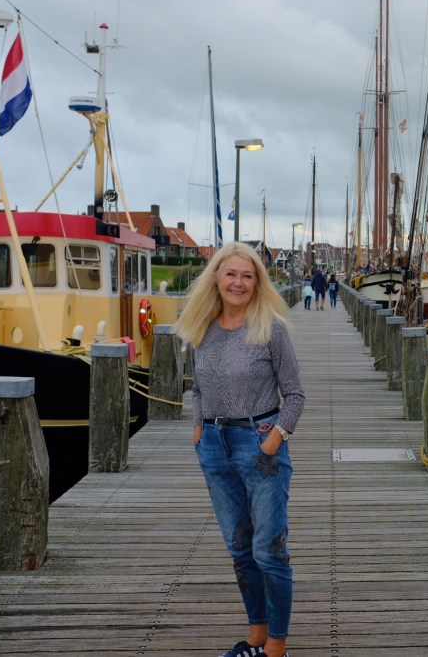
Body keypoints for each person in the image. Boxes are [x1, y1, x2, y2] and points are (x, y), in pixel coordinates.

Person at [173, 242, 305, 657]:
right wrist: (198, 425)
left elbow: (296, 395)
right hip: (214, 447)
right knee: (240, 548)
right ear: (216, 278)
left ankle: (276, 648)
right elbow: (198, 385)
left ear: (257, 283)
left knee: (270, 551)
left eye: (248, 276)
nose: (238, 282)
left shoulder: (270, 329)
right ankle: (256, 637)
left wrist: (275, 437)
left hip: (259, 445)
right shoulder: (202, 327)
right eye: (231, 274)